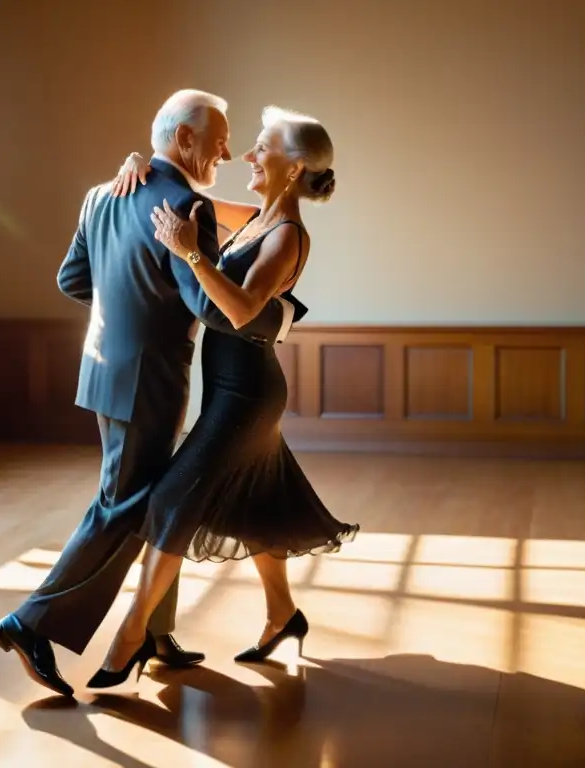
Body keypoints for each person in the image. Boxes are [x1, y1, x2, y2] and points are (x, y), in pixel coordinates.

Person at [0, 90, 298, 698]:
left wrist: (128, 315)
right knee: (121, 508)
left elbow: (72, 278)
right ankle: (29, 625)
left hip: (102, 372)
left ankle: (157, 636)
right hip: (148, 384)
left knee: (160, 504)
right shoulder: (186, 207)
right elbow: (213, 307)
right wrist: (283, 315)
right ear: (185, 140)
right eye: (219, 139)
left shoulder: (103, 194)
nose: (228, 151)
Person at [85, 106, 359, 688]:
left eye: (262, 148)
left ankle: (129, 638)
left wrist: (190, 253)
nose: (249, 158)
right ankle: (284, 615)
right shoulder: (259, 219)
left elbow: (238, 310)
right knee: (258, 504)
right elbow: (185, 200)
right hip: (232, 390)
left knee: (170, 504)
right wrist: (140, 165)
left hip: (248, 396)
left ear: (294, 168)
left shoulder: (286, 236)